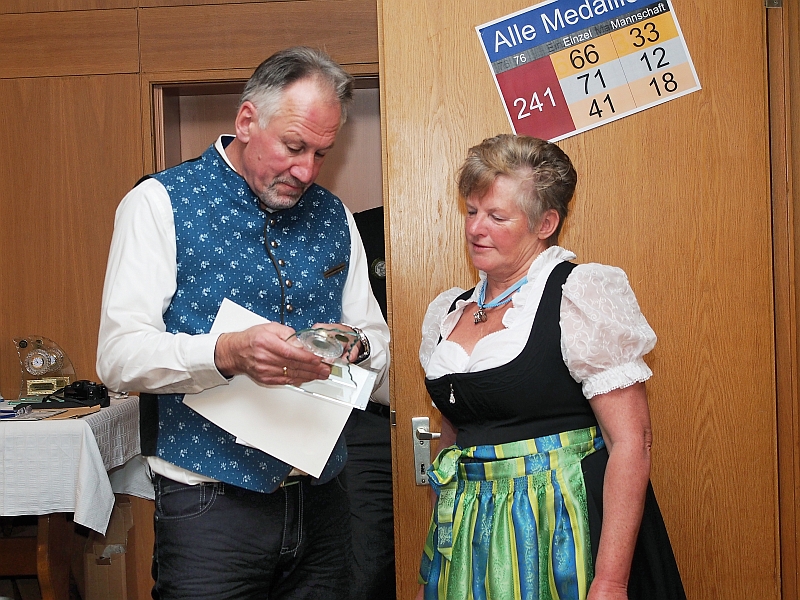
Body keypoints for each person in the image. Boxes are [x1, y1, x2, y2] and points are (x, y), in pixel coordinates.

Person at [96, 46, 389, 600]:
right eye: (294, 147)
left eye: (321, 154)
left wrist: (356, 346)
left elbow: (377, 340)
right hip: (210, 510)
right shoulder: (159, 203)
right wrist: (225, 353)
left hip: (323, 503)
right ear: (247, 121)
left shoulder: (335, 216)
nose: (306, 171)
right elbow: (118, 356)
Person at [416, 134, 685, 600]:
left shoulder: (578, 296)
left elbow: (631, 442)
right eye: (472, 211)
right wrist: (436, 570)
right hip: (472, 536)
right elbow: (453, 443)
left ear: (546, 223)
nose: (476, 228)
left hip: (563, 531)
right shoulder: (449, 312)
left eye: (497, 216)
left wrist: (611, 581)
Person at [342, 206, 396, 600]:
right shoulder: (362, 228)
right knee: (365, 569)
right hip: (369, 421)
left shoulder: (489, 233)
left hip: (467, 425)